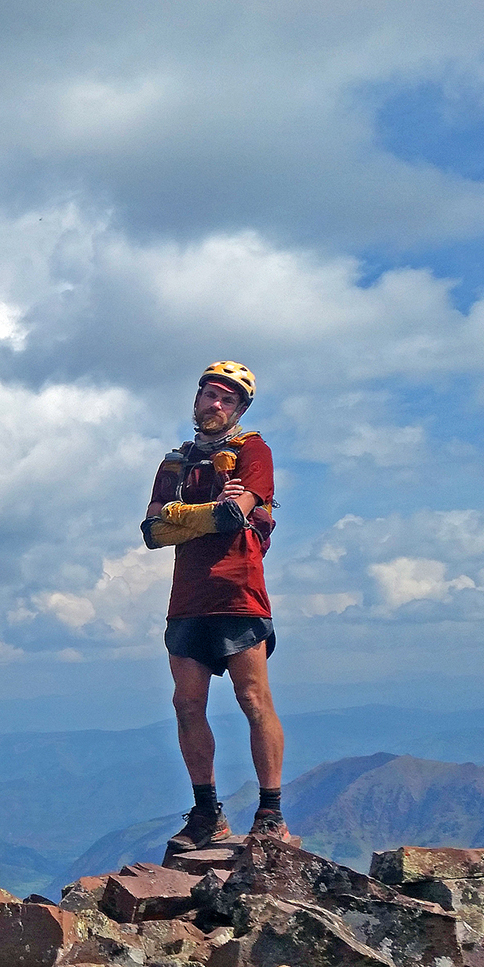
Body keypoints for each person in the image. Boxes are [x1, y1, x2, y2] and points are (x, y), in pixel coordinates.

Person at [140, 361, 288, 849]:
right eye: (210, 395)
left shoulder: (253, 450)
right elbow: (152, 532)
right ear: (197, 399)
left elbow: (233, 516)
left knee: (252, 699)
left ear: (241, 408)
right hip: (187, 600)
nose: (216, 404)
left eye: (228, 399)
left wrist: (184, 515)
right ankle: (207, 813)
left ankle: (270, 813)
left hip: (239, 593)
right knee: (186, 705)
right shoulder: (174, 464)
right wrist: (203, 514)